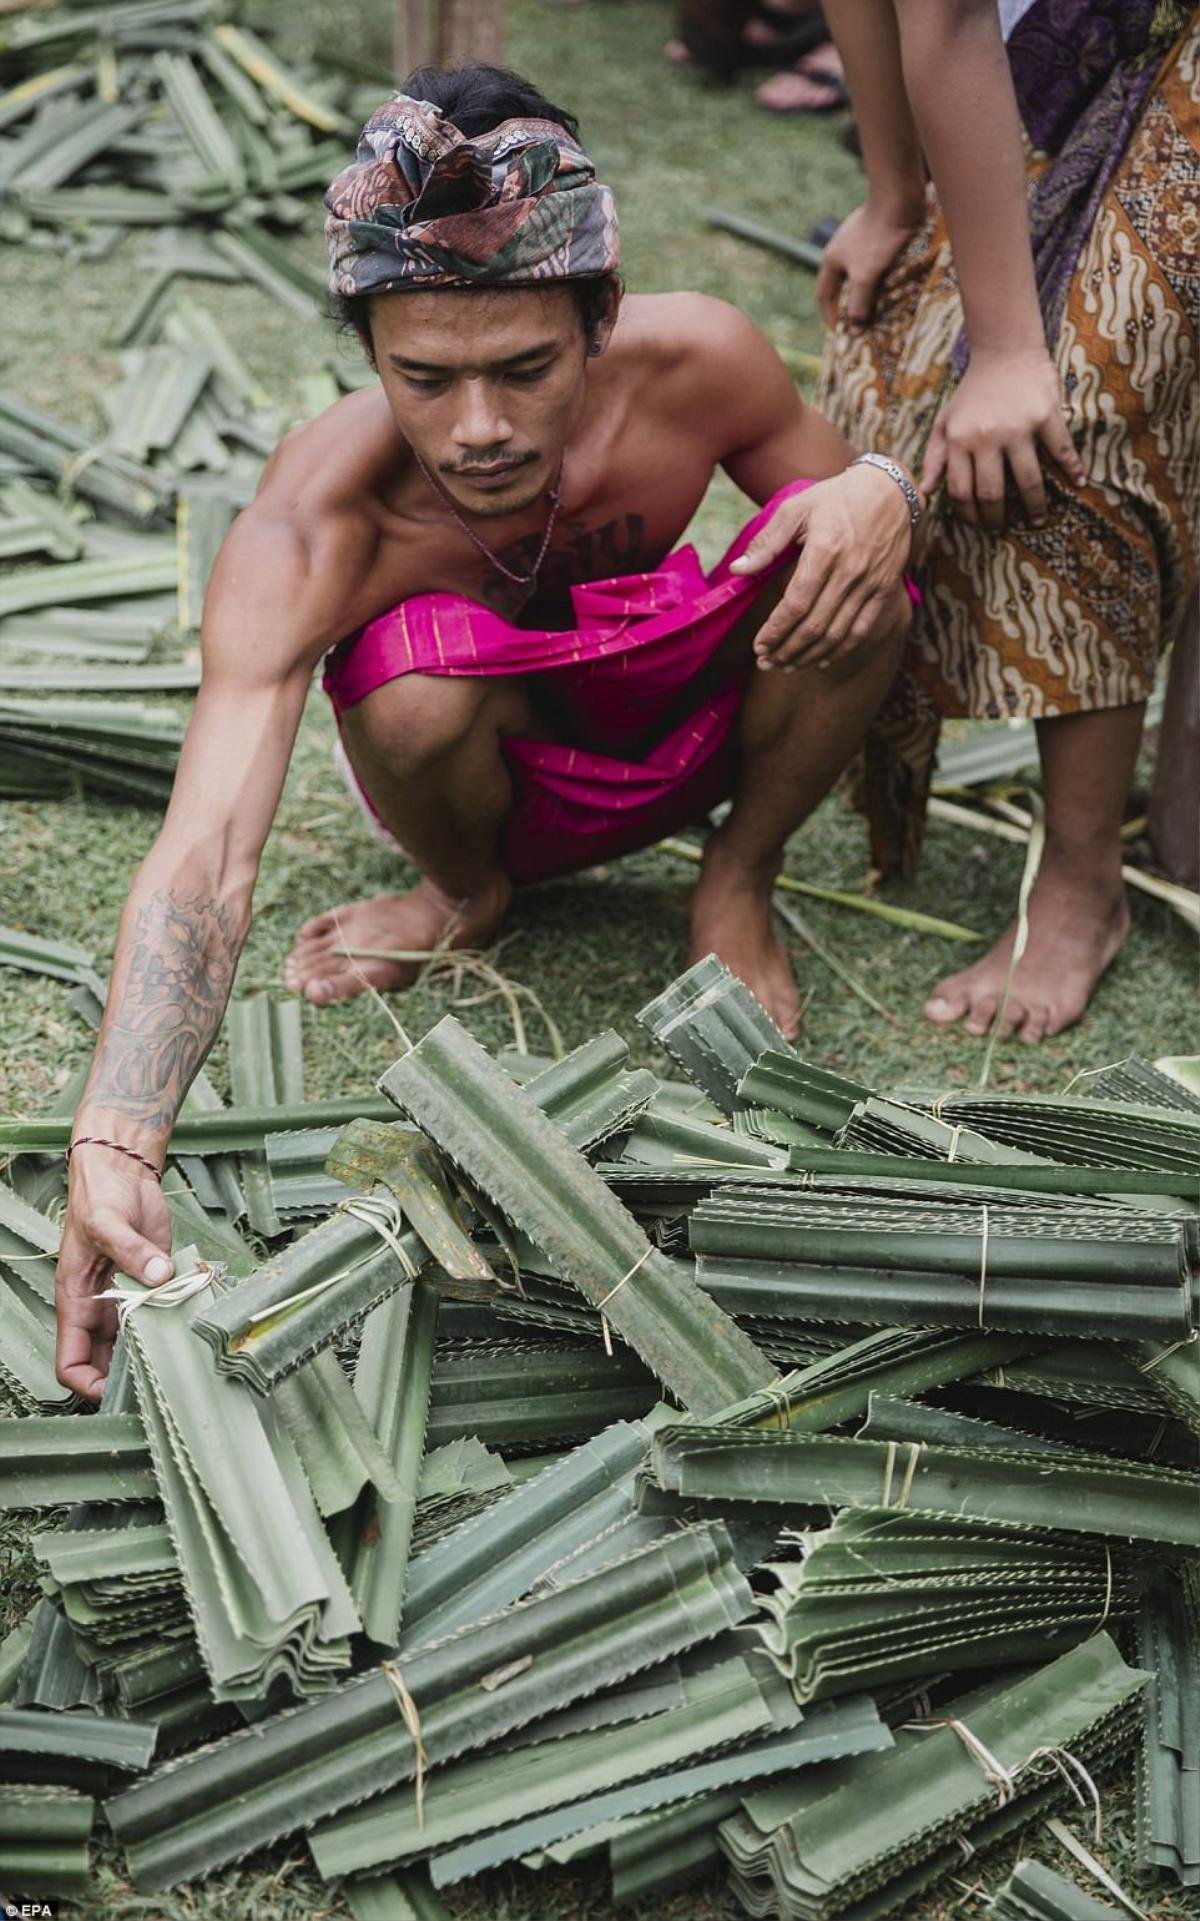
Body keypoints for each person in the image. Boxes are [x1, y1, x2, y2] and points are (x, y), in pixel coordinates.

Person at [54, 65, 921, 1402]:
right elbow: (209, 846)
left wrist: (880, 486)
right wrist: (117, 1136)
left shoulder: (700, 364)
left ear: (603, 319)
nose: (481, 429)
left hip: (681, 726)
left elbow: (849, 501)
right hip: (483, 766)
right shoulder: (318, 519)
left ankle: (735, 880)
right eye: (426, 377)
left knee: (856, 569)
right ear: (365, 350)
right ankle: (465, 891)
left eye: (525, 369)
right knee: (407, 681)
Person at [813, 0, 1198, 1044]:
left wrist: (1020, 355)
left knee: (1074, 409)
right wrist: (894, 191)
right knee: (905, 329)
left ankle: (1081, 881)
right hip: (1085, 33)